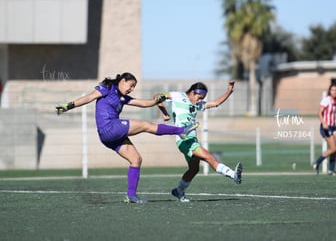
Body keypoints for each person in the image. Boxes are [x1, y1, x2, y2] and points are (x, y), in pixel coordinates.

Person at [55, 72, 198, 203]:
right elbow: (89, 97)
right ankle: (181, 130)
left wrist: (158, 99)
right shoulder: (107, 87)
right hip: (109, 127)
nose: (132, 89)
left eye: (134, 87)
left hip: (109, 136)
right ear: (123, 81)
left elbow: (143, 103)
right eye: (131, 85)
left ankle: (131, 195)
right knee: (145, 125)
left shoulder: (123, 97)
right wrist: (68, 106)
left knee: (136, 159)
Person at [156, 80, 243, 203]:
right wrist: (165, 113)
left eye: (202, 98)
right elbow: (157, 97)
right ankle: (233, 175)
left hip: (192, 140)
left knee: (194, 170)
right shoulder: (177, 96)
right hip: (184, 140)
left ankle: (179, 191)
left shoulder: (197, 104)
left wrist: (229, 91)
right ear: (192, 92)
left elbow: (216, 103)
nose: (199, 100)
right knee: (209, 157)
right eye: (199, 97)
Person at [312, 83, 336, 176]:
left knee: (335, 149)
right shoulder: (326, 100)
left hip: (333, 126)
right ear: (329, 91)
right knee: (333, 148)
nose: (334, 92)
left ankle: (331, 170)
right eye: (332, 90)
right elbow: (319, 113)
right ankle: (316, 162)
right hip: (326, 127)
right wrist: (324, 122)